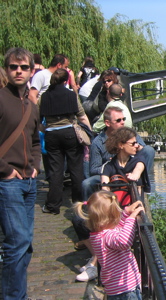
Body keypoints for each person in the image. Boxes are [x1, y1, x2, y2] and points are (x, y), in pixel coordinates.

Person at [0, 47, 41, 300]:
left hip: (29, 180)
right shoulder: (1, 99)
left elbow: (35, 140)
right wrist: (5, 171)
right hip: (8, 182)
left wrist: (36, 164)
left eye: (24, 67)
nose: (18, 71)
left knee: (26, 246)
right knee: (16, 244)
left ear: (31, 71)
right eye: (14, 67)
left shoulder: (31, 106)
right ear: (6, 69)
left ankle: (18, 294)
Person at [74, 191, 145, 299]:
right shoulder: (106, 237)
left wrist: (126, 213)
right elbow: (124, 241)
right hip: (125, 289)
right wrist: (131, 218)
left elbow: (118, 229)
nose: (119, 217)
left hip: (116, 289)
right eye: (117, 214)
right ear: (110, 218)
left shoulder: (98, 235)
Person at [39, 68, 91, 214]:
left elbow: (38, 119)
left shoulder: (44, 97)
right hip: (69, 133)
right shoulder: (71, 95)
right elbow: (81, 116)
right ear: (66, 81)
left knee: (56, 171)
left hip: (51, 135)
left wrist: (45, 129)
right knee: (76, 169)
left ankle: (53, 206)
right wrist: (89, 131)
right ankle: (78, 203)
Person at [101, 127, 151, 196]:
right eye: (133, 143)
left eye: (136, 143)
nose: (137, 146)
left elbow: (138, 169)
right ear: (120, 145)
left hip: (136, 205)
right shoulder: (108, 166)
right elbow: (105, 190)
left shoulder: (139, 160)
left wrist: (134, 175)